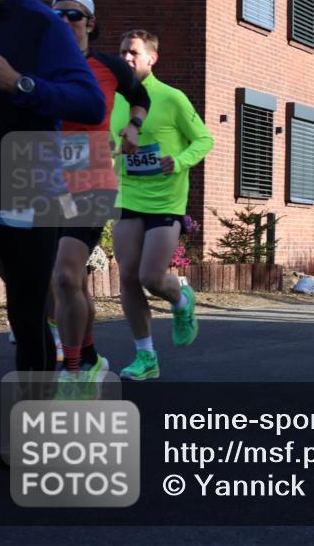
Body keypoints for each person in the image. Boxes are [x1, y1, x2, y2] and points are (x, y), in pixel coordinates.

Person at [0, 0, 104, 384]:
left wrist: (21, 84)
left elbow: (89, 103)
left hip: (27, 191)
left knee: (27, 318)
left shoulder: (44, 26)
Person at [48, 0, 152, 396]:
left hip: (92, 183)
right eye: (56, 15)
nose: (65, 22)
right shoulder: (38, 66)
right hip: (42, 181)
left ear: (90, 22)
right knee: (60, 284)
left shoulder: (109, 67)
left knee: (65, 275)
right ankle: (89, 357)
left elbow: (139, 95)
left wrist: (134, 124)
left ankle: (73, 371)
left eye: (73, 15)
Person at [113, 29, 213, 380]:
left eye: (133, 53)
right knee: (126, 277)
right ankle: (146, 356)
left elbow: (204, 139)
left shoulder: (172, 99)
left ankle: (182, 299)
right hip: (127, 195)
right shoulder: (113, 99)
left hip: (166, 201)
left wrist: (180, 160)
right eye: (122, 51)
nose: (126, 57)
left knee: (150, 277)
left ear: (151, 58)